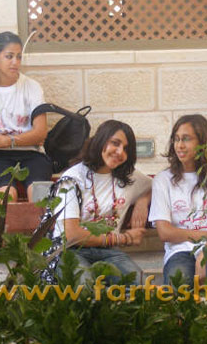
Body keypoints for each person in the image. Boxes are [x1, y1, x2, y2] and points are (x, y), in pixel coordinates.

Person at [149, 114, 207, 292]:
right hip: (179, 251)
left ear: (202, 143)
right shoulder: (163, 180)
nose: (179, 145)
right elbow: (165, 232)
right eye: (176, 139)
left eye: (186, 139)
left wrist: (205, 254)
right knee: (178, 280)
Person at [52, 120, 152, 285]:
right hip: (70, 251)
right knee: (85, 287)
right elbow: (72, 235)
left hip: (109, 253)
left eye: (126, 149)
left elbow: (156, 185)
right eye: (115, 143)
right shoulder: (73, 178)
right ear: (100, 140)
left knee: (142, 286)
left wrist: (142, 201)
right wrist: (122, 238)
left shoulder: (128, 177)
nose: (120, 152)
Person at [0, 31, 52, 202]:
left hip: (33, 155)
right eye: (9, 56)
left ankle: (42, 222)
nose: (15, 62)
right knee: (7, 195)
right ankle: (4, 222)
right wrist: (26, 137)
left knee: (39, 194)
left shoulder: (32, 87)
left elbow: (40, 133)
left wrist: (6, 140)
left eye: (18, 57)